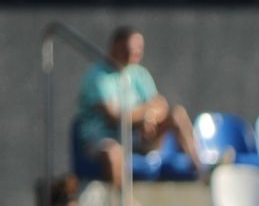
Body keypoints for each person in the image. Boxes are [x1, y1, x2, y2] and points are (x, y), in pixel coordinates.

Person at [74, 25, 202, 187]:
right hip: (105, 140)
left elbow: (161, 105)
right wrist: (145, 114)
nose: (136, 52)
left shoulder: (139, 73)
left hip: (139, 137)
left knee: (177, 114)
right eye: (131, 47)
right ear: (115, 45)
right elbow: (114, 117)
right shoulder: (98, 76)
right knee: (114, 153)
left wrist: (149, 118)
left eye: (140, 48)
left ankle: (199, 170)